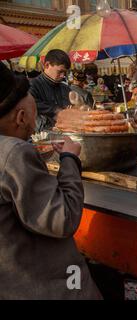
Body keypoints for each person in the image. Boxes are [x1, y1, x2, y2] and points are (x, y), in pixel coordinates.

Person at [0, 62, 101, 299]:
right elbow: (62, 219)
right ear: (21, 117)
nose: (32, 129)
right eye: (32, 124)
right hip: (38, 285)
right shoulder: (13, 153)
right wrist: (69, 159)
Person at [30, 49, 71, 131]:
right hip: (41, 135)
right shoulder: (32, 85)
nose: (63, 76)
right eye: (60, 71)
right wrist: (55, 110)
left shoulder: (65, 88)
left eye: (65, 73)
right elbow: (31, 103)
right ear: (47, 65)